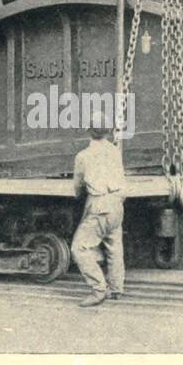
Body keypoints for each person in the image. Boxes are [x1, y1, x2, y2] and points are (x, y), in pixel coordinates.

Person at [70, 113, 127, 307]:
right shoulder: (115, 151)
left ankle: (98, 290)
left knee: (79, 248)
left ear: (88, 131)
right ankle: (117, 288)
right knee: (114, 247)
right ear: (108, 131)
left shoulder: (83, 156)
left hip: (100, 205)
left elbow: (77, 187)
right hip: (117, 204)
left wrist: (79, 194)